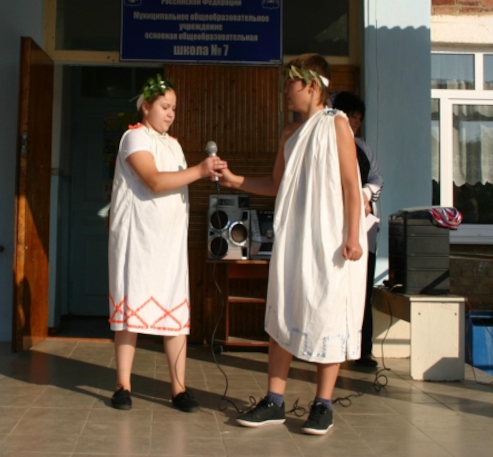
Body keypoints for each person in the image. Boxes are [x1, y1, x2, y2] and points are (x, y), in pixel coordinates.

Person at [215, 54, 367, 435]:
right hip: (294, 238)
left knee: (326, 311)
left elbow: (351, 185)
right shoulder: (289, 134)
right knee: (283, 309)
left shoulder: (336, 124)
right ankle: (275, 401)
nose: (285, 89)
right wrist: (235, 180)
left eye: (291, 82)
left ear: (313, 85)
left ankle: (323, 404)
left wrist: (352, 236)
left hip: (329, 239)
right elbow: (276, 185)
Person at [108, 74, 224, 412]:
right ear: (146, 107)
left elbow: (176, 182)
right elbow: (155, 181)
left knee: (175, 313)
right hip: (138, 241)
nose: (171, 113)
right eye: (164, 106)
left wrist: (205, 171)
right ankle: (123, 385)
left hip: (169, 244)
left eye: (174, 108)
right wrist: (199, 170)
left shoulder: (173, 144)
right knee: (130, 312)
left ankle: (179, 389)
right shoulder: (134, 138)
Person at [333, 91, 384, 368]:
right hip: (336, 227)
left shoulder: (362, 147)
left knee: (363, 291)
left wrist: (364, 193)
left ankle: (363, 350)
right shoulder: (328, 142)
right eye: (352, 116)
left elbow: (376, 178)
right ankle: (333, 347)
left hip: (365, 229)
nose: (355, 123)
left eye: (359, 119)